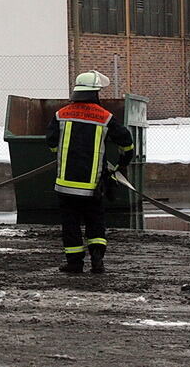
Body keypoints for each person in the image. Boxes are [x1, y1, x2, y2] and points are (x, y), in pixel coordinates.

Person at [46, 71, 135, 274]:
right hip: (93, 185)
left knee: (70, 224)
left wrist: (60, 153)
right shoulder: (105, 117)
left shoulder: (61, 114)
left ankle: (75, 263)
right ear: (95, 93)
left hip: (65, 184)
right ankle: (97, 260)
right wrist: (122, 163)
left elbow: (50, 141)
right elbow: (127, 143)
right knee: (95, 220)